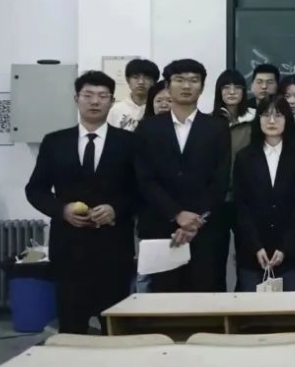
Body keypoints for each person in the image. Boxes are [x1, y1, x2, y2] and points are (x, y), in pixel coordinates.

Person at [25, 71, 137, 334]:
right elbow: (36, 189)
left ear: (111, 101)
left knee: (116, 326)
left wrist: (116, 209)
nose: (95, 102)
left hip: (113, 246)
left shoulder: (130, 143)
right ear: (77, 99)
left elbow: (141, 190)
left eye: (102, 96)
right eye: (88, 95)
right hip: (69, 247)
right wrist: (61, 210)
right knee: (71, 325)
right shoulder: (55, 142)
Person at [135, 59, 231, 292]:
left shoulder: (217, 127)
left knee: (207, 297)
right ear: (167, 86)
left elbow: (220, 179)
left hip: (206, 231)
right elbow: (144, 178)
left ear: (202, 87)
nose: (187, 86)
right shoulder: (148, 128)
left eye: (193, 80)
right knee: (163, 299)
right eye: (179, 80)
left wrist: (196, 220)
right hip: (161, 228)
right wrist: (176, 214)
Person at [233, 96, 295, 292]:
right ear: (258, 119)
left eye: (278, 115)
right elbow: (241, 206)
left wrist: (285, 247)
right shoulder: (244, 157)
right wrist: (256, 246)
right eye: (265, 115)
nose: (271, 121)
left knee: (288, 308)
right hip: (252, 252)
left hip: (290, 251)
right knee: (252, 308)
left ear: (287, 119)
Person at [211, 69, 255, 291]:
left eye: (237, 87)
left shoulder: (254, 119)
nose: (231, 92)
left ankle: (242, 297)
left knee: (246, 253)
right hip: (216, 198)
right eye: (226, 87)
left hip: (245, 196)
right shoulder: (208, 122)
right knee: (215, 254)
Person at [107, 58, 160, 131]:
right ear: (128, 80)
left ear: (154, 82)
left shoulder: (159, 108)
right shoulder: (115, 110)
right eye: (135, 77)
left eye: (147, 78)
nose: (141, 82)